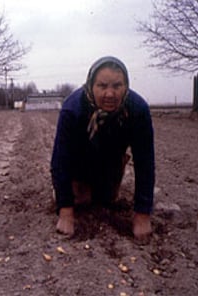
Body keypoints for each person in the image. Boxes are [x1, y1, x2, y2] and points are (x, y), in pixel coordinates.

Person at [51, 56, 155, 241]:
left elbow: (145, 163)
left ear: (126, 86)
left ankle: (103, 188)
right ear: (91, 85)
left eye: (117, 86)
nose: (110, 94)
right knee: (80, 201)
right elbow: (60, 161)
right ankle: (78, 190)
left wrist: (143, 214)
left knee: (106, 200)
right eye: (102, 86)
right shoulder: (72, 110)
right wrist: (65, 212)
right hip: (79, 164)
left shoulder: (138, 110)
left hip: (111, 163)